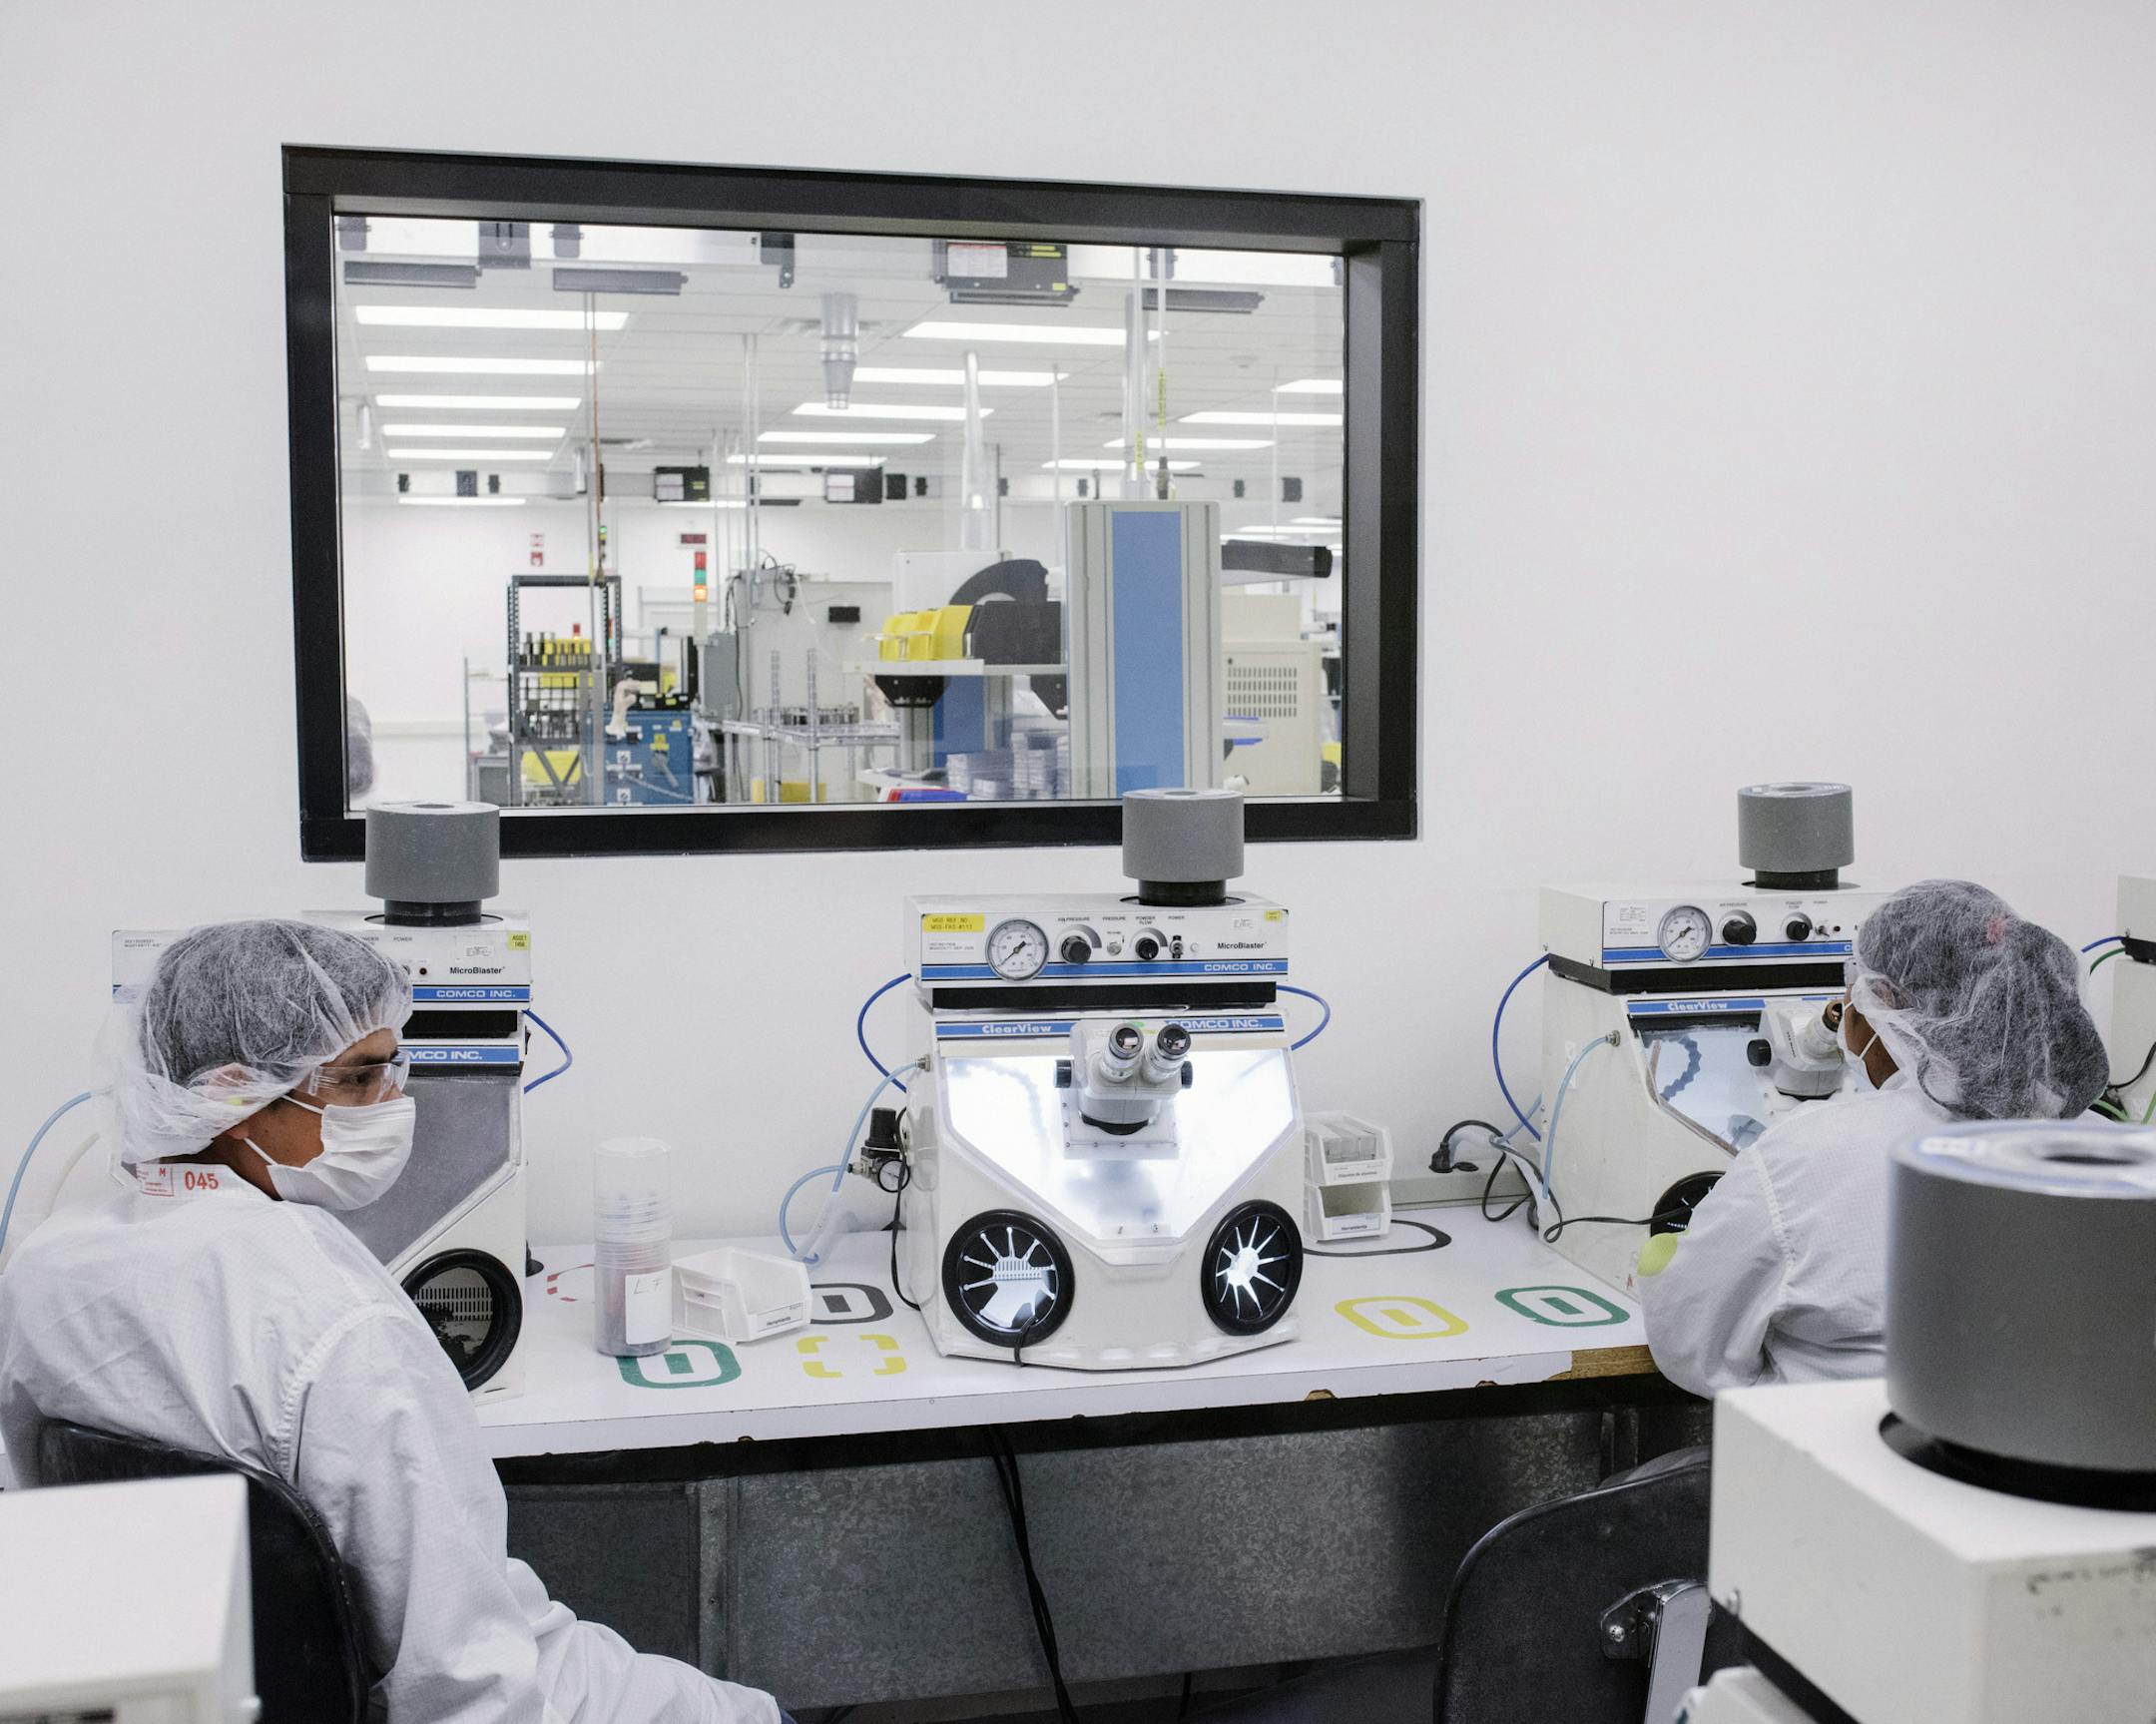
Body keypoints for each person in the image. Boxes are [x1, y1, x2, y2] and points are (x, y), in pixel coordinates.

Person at [0, 919, 782, 1724]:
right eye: (360, 1077)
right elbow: (466, 1679)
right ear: (234, 1095)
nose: (395, 1102)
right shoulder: (335, 1323)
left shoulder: (46, 1265)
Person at [1638, 879, 2108, 1397]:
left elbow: (1689, 1343)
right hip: (2065, 1466)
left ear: (1881, 1004)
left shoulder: (1807, 1158)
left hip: (1861, 1464)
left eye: (1852, 986)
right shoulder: (2117, 1155)